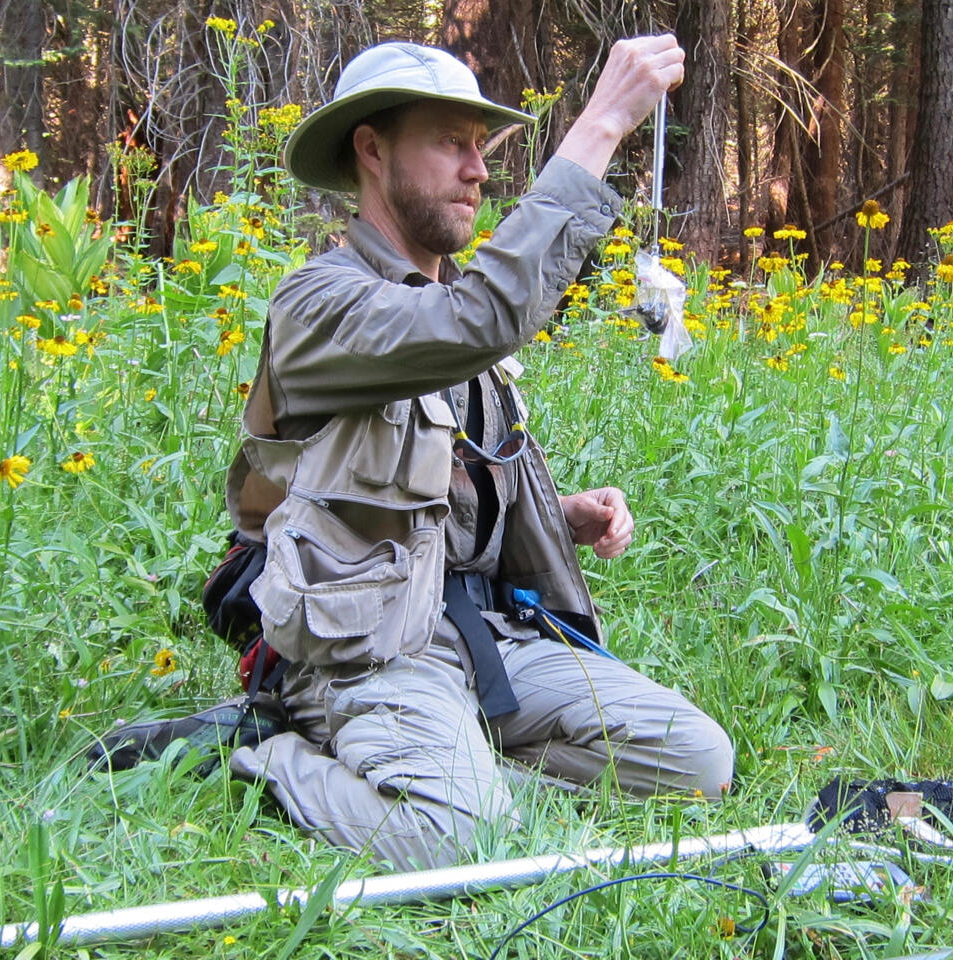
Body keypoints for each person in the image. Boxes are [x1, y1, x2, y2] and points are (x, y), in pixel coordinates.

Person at [224, 36, 733, 870]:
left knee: (698, 762)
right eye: (449, 143)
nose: (478, 171)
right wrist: (603, 122)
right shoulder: (319, 302)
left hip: (484, 633)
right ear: (372, 149)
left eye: (480, 146)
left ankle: (469, 772)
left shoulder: (455, 308)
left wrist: (561, 514)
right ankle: (263, 752)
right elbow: (480, 321)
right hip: (373, 648)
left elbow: (433, 484)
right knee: (460, 837)